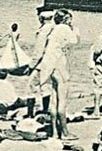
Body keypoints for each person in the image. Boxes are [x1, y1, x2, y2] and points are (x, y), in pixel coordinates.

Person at [32, 9, 79, 140]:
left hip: (49, 66)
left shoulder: (53, 29)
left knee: (53, 100)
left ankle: (53, 131)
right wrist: (74, 29)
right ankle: (64, 132)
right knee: (62, 100)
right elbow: (75, 41)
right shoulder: (64, 28)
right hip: (59, 65)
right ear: (66, 19)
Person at [28, 7, 55, 114]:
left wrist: (31, 65)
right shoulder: (54, 28)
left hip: (41, 63)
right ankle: (45, 110)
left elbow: (38, 51)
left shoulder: (43, 30)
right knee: (46, 86)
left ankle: (30, 113)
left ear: (41, 17)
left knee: (31, 87)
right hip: (51, 62)